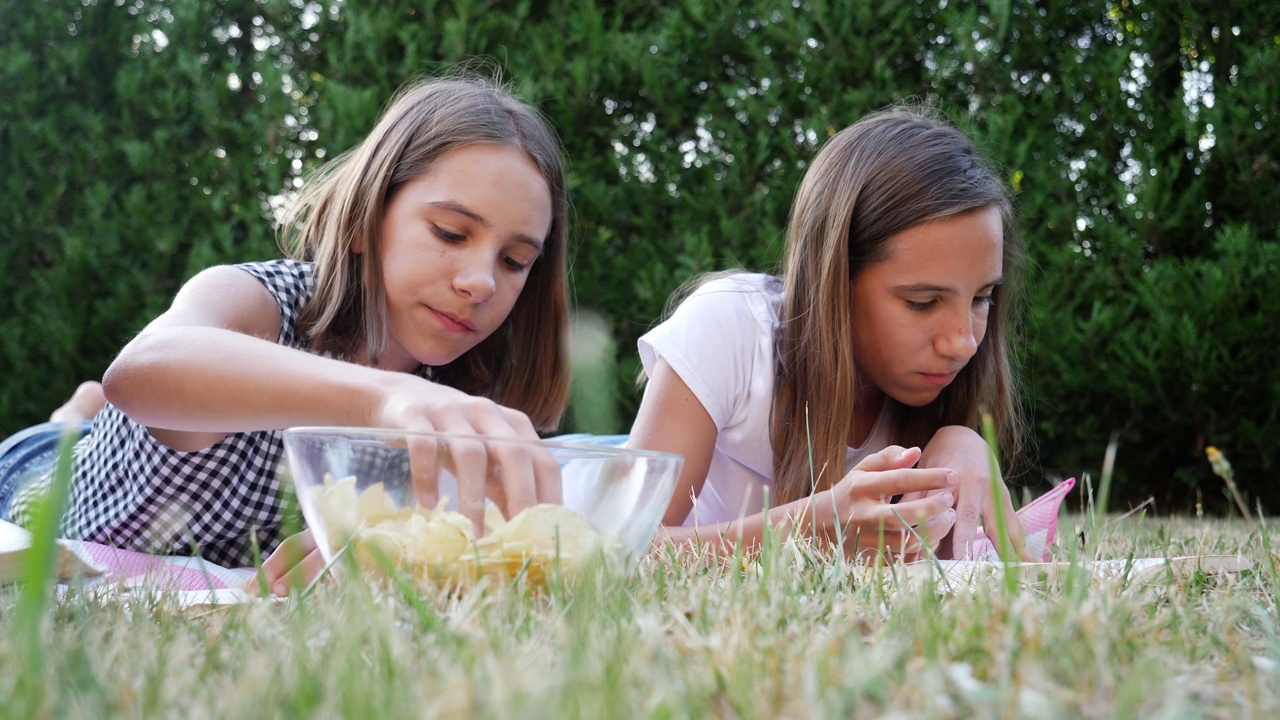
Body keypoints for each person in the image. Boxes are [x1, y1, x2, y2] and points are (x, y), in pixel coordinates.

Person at [0, 74, 572, 586]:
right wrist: (391, 396)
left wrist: (387, 545)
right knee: (63, 440)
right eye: (450, 232)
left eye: (515, 261)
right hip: (44, 481)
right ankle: (74, 416)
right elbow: (142, 370)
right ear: (362, 222)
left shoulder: (468, 391)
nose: (481, 282)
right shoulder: (265, 301)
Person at [625, 105, 1037, 562]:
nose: (962, 342)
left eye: (981, 298)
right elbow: (617, 548)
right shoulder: (728, 327)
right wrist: (808, 529)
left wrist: (960, 452)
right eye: (922, 303)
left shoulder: (942, 400)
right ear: (835, 282)